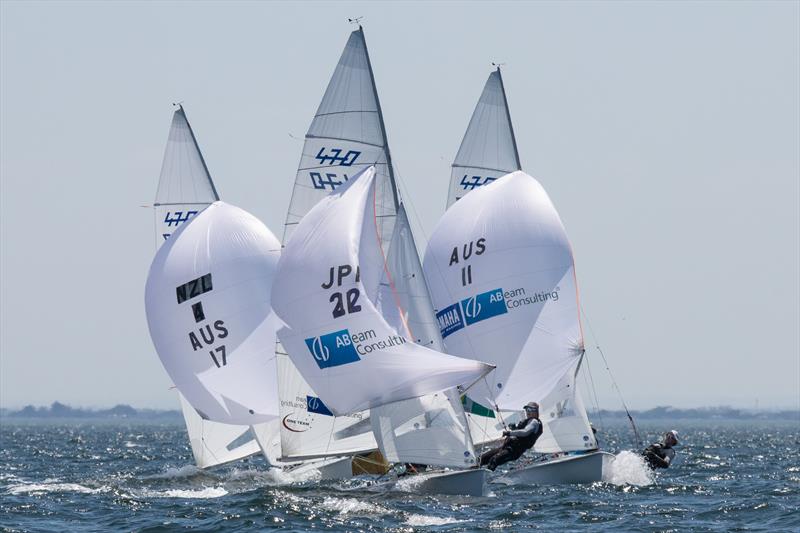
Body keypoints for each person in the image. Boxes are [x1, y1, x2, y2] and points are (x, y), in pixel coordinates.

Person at [479, 401, 543, 471]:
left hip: (514, 451)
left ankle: (485, 480)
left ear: (536, 411)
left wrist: (510, 433)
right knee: (481, 459)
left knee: (494, 460)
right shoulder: (528, 421)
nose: (528, 412)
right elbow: (520, 434)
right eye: (527, 410)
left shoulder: (534, 422)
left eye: (530, 410)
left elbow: (525, 432)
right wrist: (514, 428)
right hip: (506, 448)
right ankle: (472, 473)